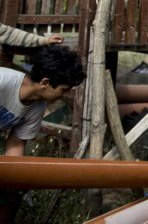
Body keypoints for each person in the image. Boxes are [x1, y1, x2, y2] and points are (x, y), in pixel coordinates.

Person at [0, 44, 85, 221]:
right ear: (45, 83)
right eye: (64, 89)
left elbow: (15, 144)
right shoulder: (3, 81)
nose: (65, 95)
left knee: (12, 191)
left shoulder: (36, 106)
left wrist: (14, 180)